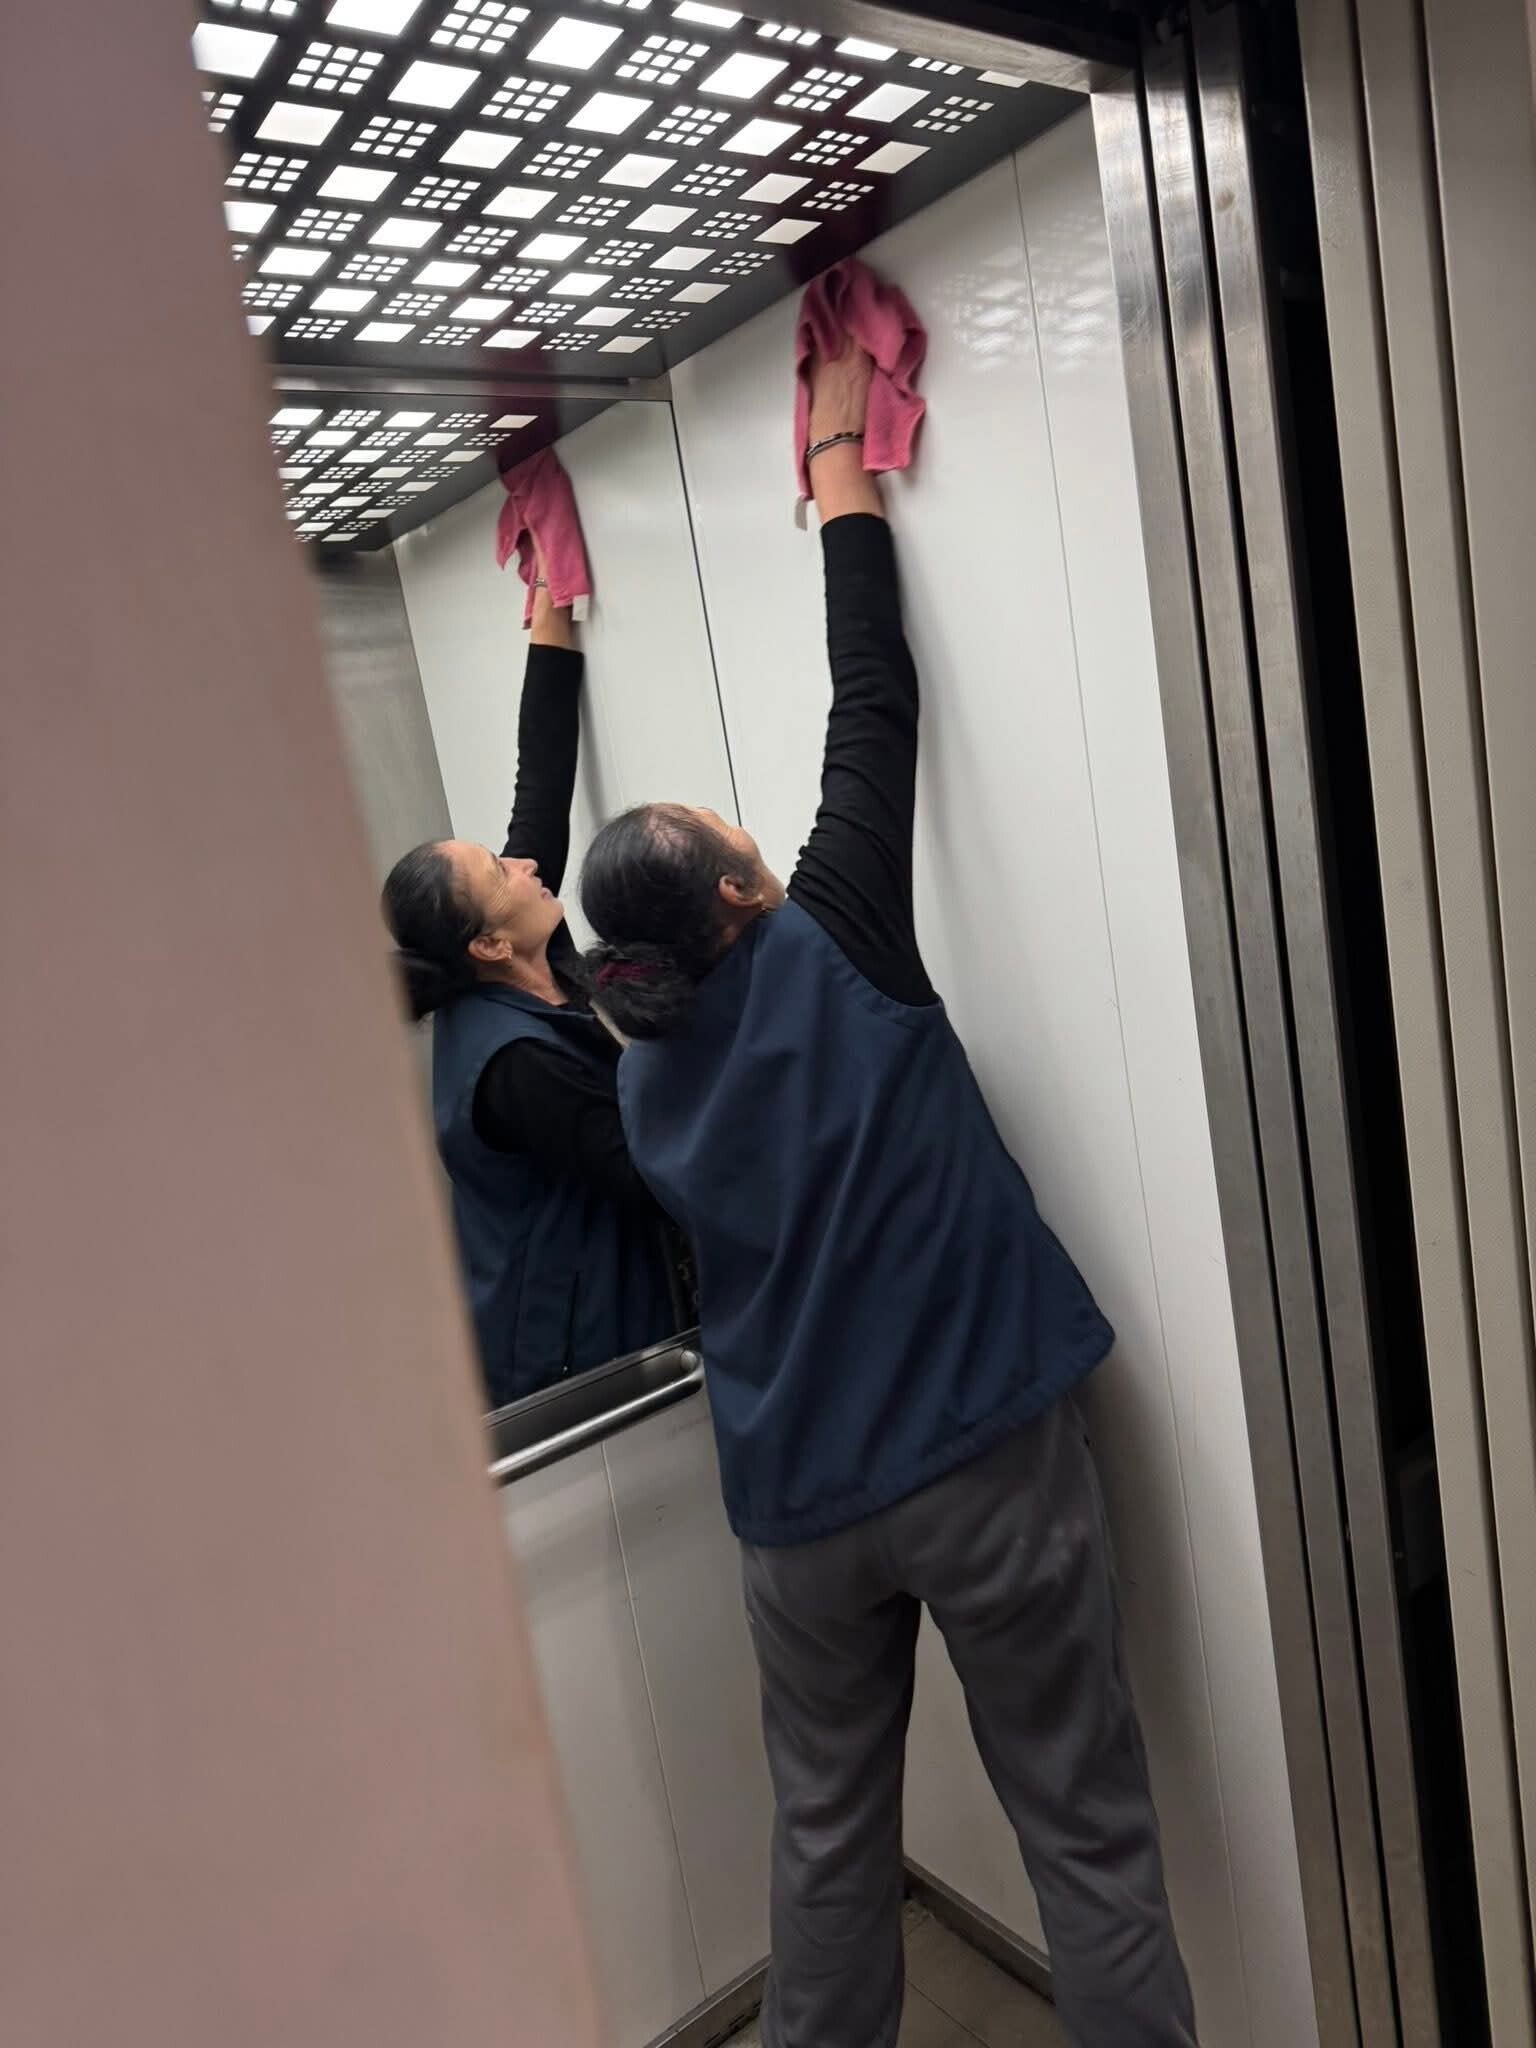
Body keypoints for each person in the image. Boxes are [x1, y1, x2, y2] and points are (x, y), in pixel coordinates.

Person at [578, 343, 1197, 2048]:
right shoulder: (831, 937)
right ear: (742, 890)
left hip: (796, 1513)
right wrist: (841, 459)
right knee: (1084, 1830)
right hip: (975, 1458)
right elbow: (875, 697)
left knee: (827, 1842)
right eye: (727, 828)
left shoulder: (634, 1068)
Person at [382, 570, 680, 1414]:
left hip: (606, 1311)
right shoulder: (514, 1066)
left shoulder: (519, 954)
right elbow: (648, 1171)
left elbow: (539, 788)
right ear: (486, 942)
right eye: (498, 869)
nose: (523, 864)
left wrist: (552, 597)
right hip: (578, 1363)